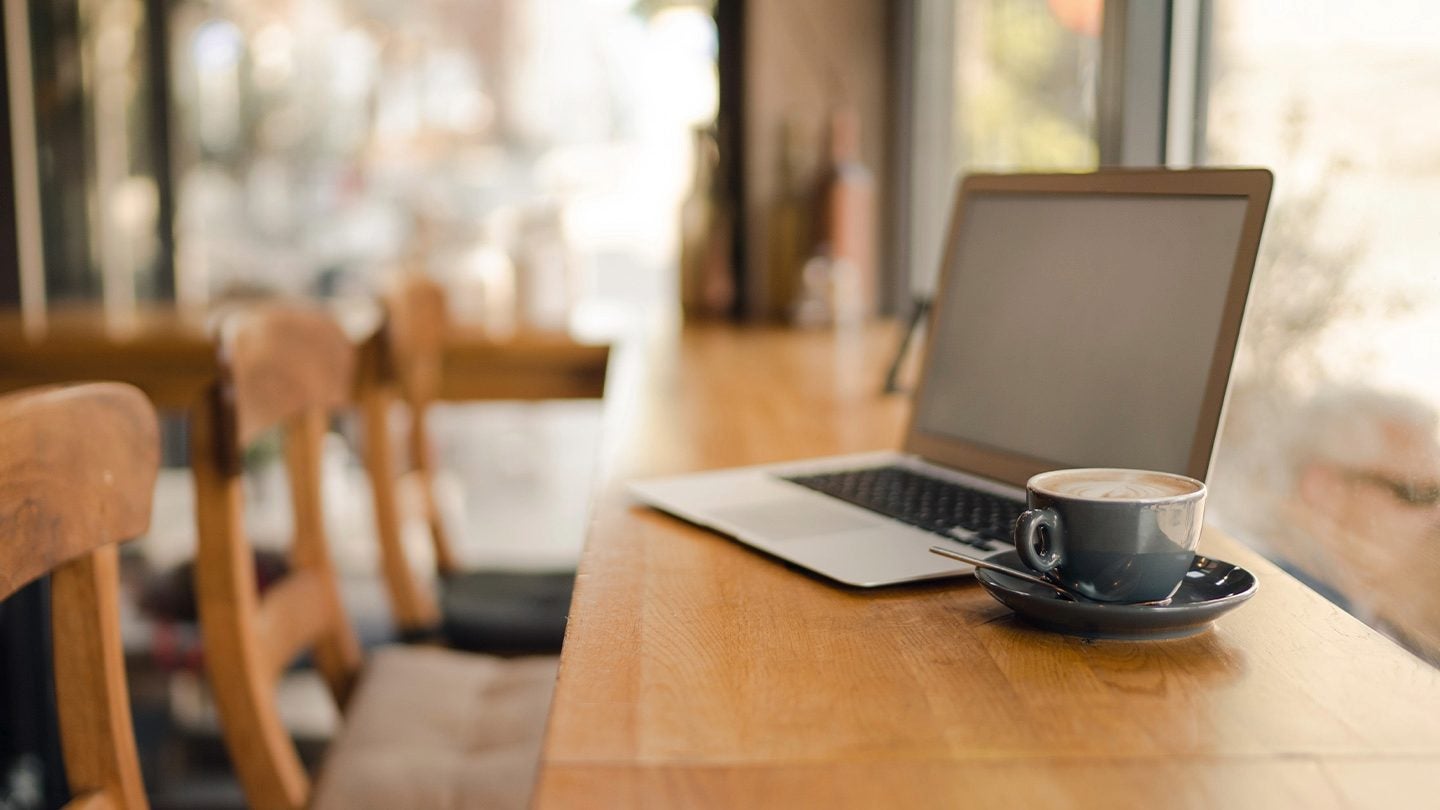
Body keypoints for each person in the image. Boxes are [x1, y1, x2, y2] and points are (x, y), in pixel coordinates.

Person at [1211, 386, 1440, 665]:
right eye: (1417, 493)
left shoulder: (1378, 614)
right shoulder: (1281, 619)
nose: (1436, 515)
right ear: (1323, 489)